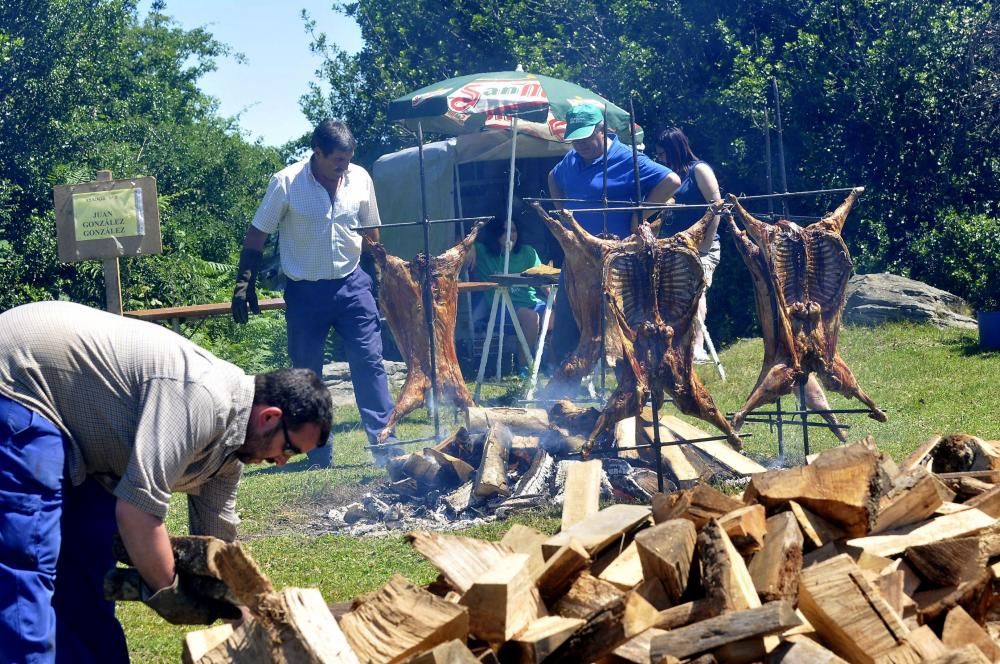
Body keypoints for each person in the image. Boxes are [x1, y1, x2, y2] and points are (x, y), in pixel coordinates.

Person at [0, 300, 333, 664]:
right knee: (28, 561)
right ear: (270, 417)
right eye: (288, 448)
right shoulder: (203, 400)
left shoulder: (229, 454)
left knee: (87, 571)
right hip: (21, 378)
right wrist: (170, 592)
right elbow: (137, 515)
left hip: (81, 439)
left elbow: (217, 549)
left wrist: (240, 613)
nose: (282, 462)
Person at [232, 118, 398, 466]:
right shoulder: (286, 182)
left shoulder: (361, 178)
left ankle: (385, 445)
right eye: (337, 159)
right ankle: (318, 452)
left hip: (353, 285)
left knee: (370, 363)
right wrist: (244, 281)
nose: (343, 165)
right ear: (317, 153)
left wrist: (380, 276)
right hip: (305, 292)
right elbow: (258, 233)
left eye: (348, 158)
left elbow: (372, 232)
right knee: (307, 376)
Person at [546, 103, 681, 369]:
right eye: (575, 139)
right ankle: (562, 394)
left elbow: (672, 181)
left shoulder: (627, 159)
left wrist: (640, 215)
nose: (580, 144)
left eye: (586, 137)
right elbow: (553, 177)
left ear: (602, 130)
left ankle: (629, 391)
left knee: (623, 334)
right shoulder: (570, 161)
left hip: (618, 264)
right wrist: (563, 215)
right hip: (577, 262)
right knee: (566, 331)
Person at [654, 127, 723, 363]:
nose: (660, 159)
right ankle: (674, 348)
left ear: (675, 150)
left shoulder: (699, 170)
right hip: (673, 248)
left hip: (702, 247)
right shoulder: (669, 177)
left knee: (695, 290)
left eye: (662, 153)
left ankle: (697, 347)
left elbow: (716, 208)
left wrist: (704, 248)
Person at [469, 216, 549, 369]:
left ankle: (554, 368)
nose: (510, 235)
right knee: (530, 317)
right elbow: (459, 241)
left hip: (532, 302)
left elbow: (543, 280)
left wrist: (560, 302)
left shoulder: (528, 252)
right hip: (501, 307)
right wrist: (470, 246)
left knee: (556, 316)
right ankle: (524, 369)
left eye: (513, 231)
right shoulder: (484, 252)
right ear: (496, 233)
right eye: (505, 231)